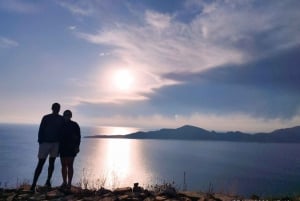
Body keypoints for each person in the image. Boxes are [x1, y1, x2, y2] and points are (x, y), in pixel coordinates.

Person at [30, 103, 64, 191]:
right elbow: (41, 129)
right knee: (41, 163)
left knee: (51, 163)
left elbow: (62, 131)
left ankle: (48, 182)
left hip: (55, 143)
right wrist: (41, 141)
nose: (57, 109)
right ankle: (34, 184)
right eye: (56, 108)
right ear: (52, 108)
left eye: (58, 108)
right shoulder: (46, 117)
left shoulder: (61, 119)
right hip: (45, 143)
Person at [59, 110, 81, 189]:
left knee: (70, 165)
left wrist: (77, 146)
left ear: (71, 116)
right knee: (63, 165)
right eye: (65, 115)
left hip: (71, 148)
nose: (67, 116)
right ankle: (64, 182)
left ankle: (69, 183)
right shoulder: (61, 125)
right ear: (63, 115)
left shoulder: (75, 125)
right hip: (62, 148)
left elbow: (78, 137)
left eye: (68, 115)